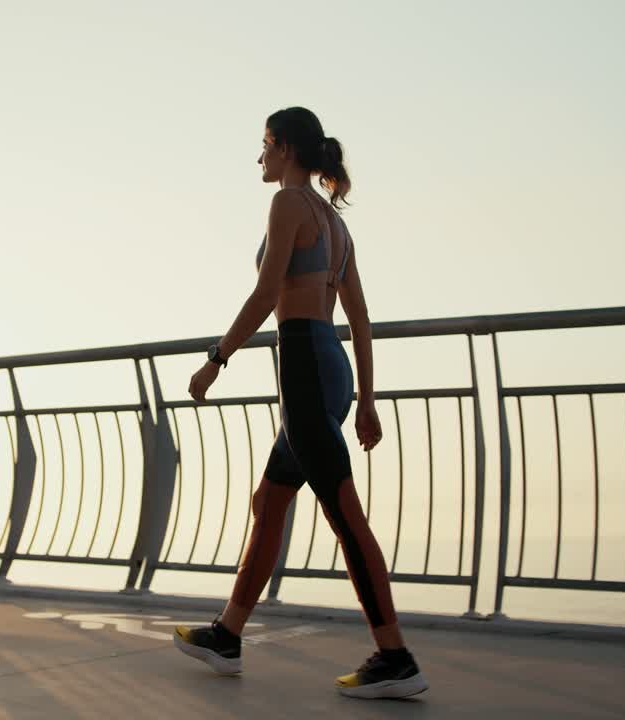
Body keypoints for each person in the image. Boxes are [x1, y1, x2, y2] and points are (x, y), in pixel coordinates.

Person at [172, 107, 428, 700]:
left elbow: (267, 291)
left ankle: (395, 656)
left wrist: (216, 356)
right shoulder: (335, 225)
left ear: (285, 148)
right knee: (271, 498)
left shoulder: (288, 204)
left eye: (264, 145)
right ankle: (227, 635)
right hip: (328, 368)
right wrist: (365, 400)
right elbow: (360, 320)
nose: (259, 157)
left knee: (345, 516)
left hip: (306, 370)